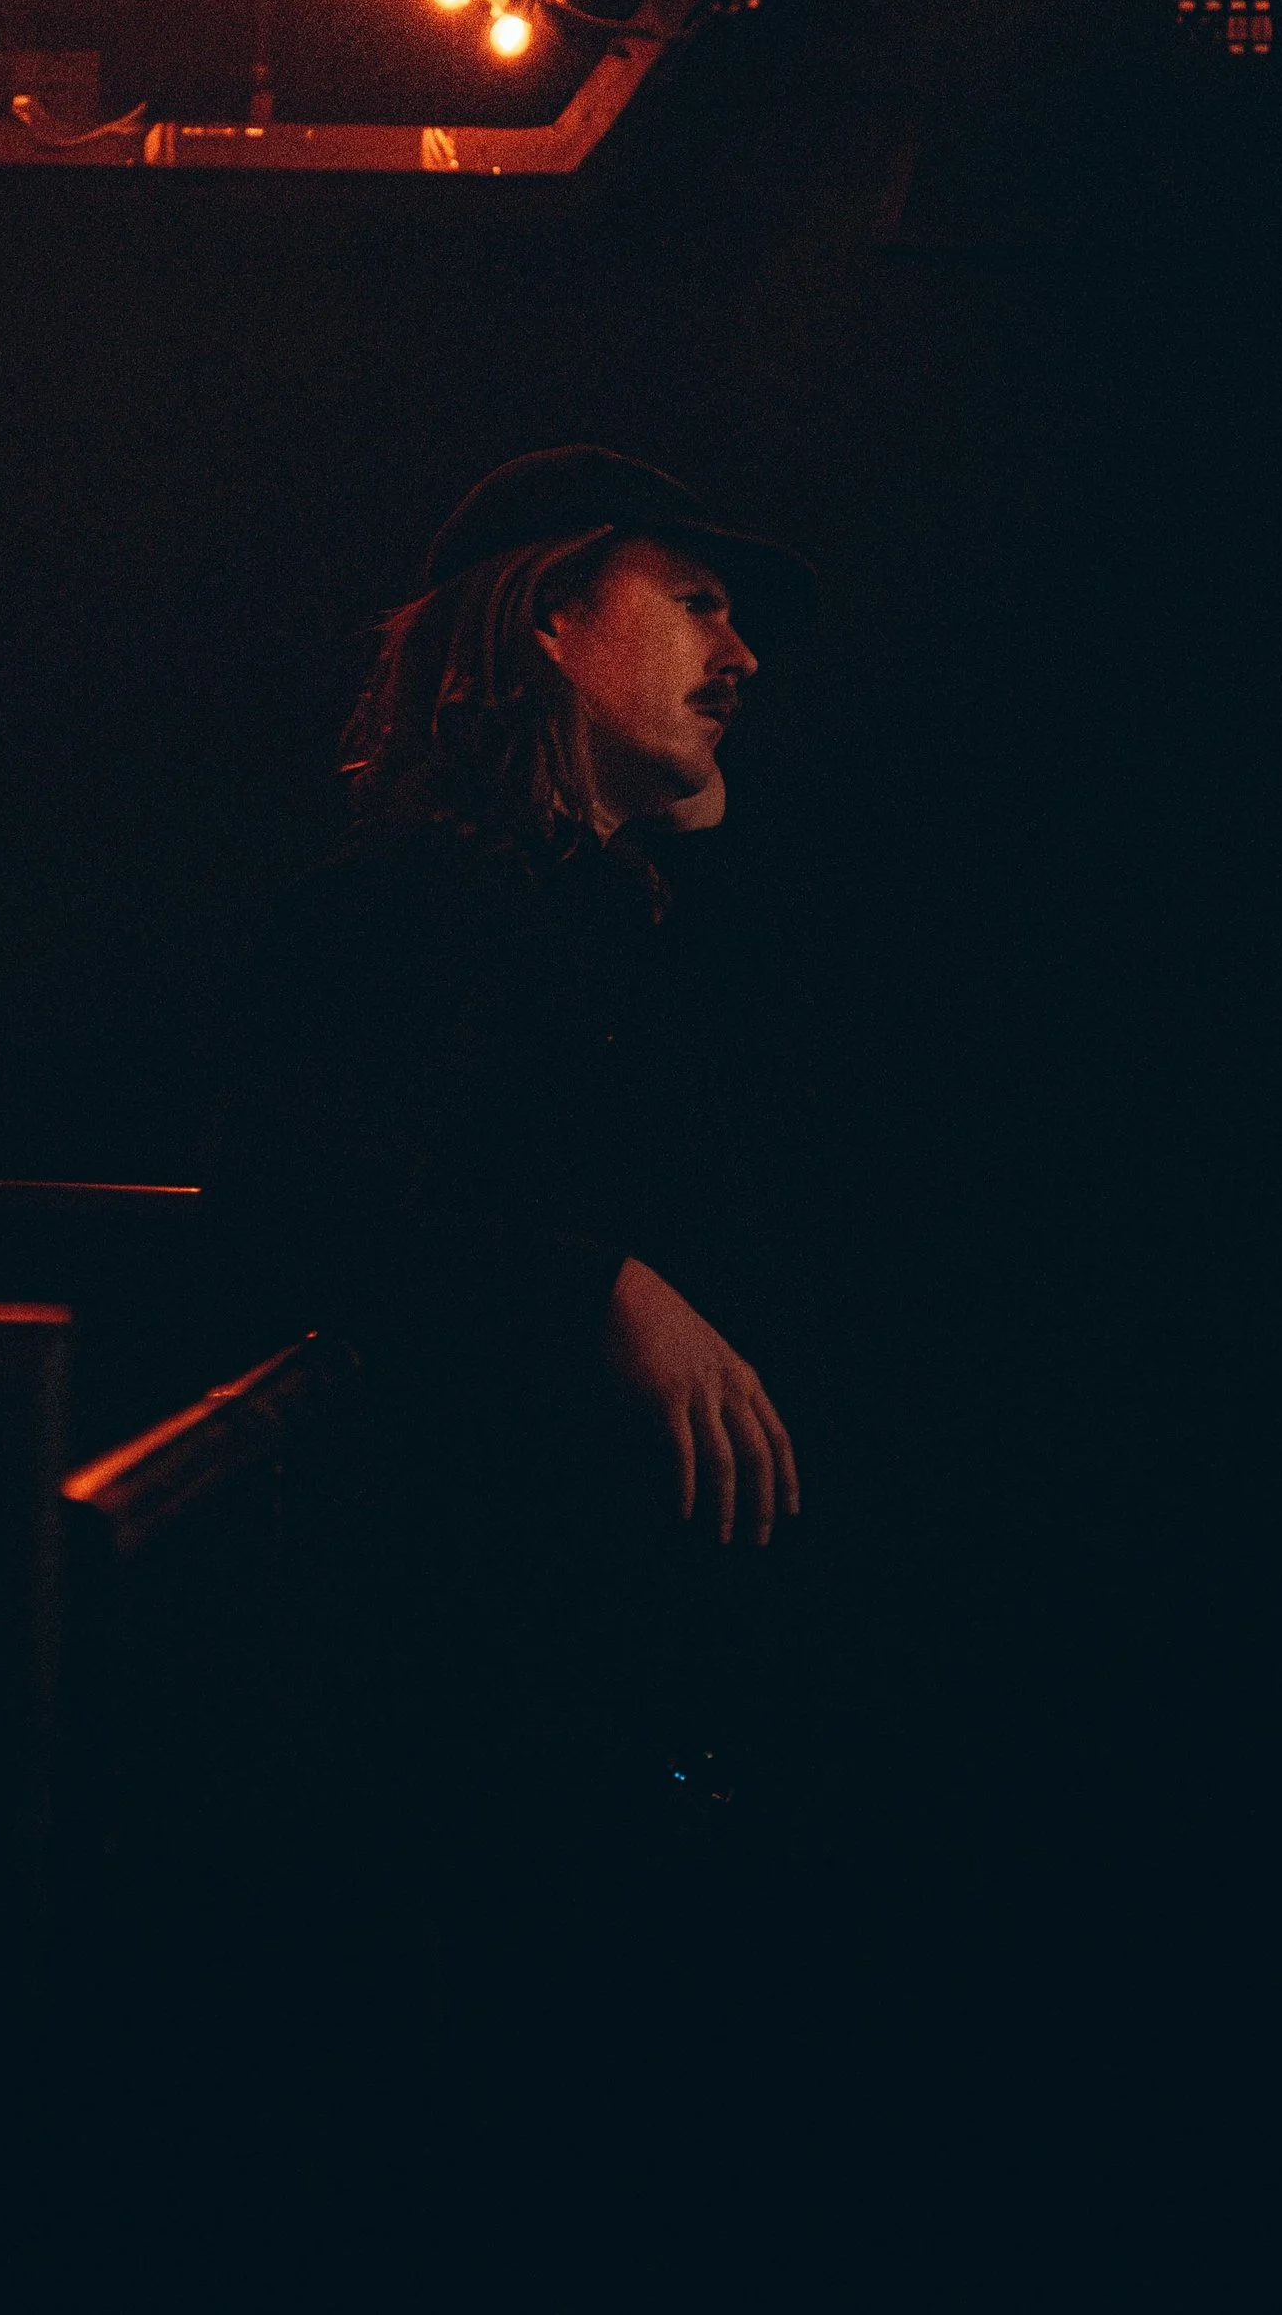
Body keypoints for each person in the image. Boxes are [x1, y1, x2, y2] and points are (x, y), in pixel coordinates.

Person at [198, 447, 822, 1893]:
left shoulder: (618, 918)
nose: (740, 658)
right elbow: (294, 1213)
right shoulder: (402, 906)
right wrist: (597, 1290)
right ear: (550, 618)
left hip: (618, 1675)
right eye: (697, 604)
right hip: (478, 1717)